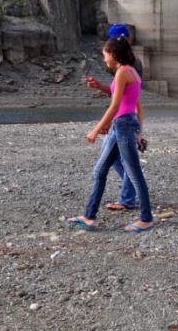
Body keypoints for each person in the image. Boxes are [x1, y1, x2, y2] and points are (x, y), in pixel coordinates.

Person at [67, 38, 153, 233]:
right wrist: (100, 86)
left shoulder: (123, 72)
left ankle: (146, 219)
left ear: (114, 54)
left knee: (134, 173)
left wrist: (96, 129)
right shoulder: (130, 72)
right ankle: (89, 217)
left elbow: (115, 105)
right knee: (100, 171)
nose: (104, 59)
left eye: (105, 55)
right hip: (121, 124)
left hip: (122, 126)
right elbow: (127, 101)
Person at [84, 23, 144, 212]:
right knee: (118, 162)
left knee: (121, 164)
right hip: (123, 120)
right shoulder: (124, 67)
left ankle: (132, 201)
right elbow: (120, 95)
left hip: (124, 121)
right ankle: (131, 197)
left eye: (114, 39)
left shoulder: (128, 67)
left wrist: (100, 126)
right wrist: (100, 86)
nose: (109, 43)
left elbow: (130, 101)